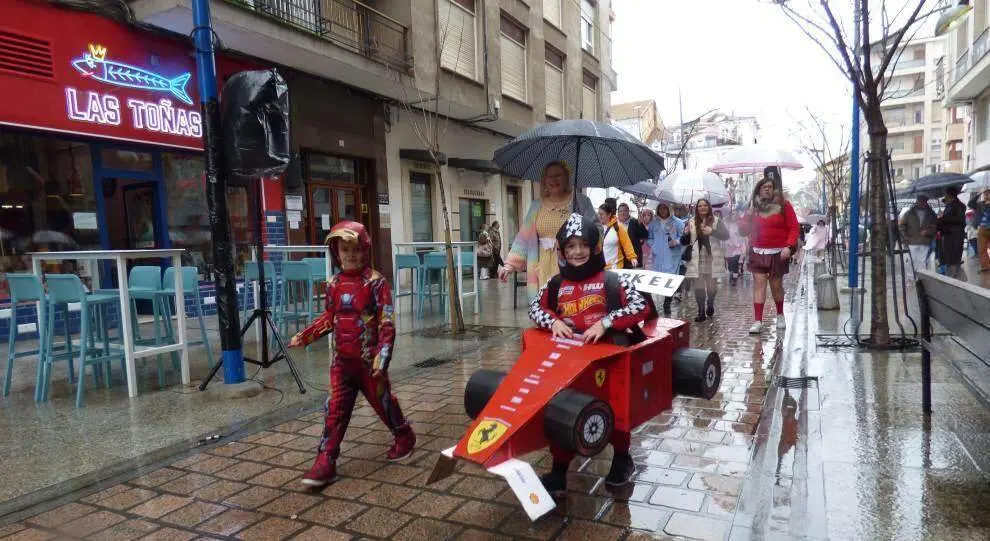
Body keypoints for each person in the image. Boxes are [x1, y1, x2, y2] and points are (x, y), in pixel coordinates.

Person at [528, 213, 650, 495]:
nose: (577, 252)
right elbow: (535, 308)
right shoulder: (555, 283)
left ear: (595, 247)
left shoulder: (612, 280)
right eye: (570, 246)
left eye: (584, 244)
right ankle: (559, 470)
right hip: (569, 363)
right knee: (562, 409)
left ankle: (622, 458)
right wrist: (553, 321)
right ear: (562, 250)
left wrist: (606, 322)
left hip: (609, 361)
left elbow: (640, 306)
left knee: (616, 408)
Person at [288, 221, 415, 487]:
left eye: (356, 249)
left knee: (383, 403)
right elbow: (329, 318)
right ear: (336, 252)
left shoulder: (376, 283)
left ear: (365, 250)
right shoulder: (333, 284)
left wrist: (382, 356)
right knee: (334, 409)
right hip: (342, 364)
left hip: (369, 363)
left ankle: (403, 435)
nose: (351, 255)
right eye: (345, 249)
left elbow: (387, 323)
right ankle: (326, 459)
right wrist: (306, 335)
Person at [500, 161, 598, 298]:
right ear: (544, 180)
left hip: (572, 263)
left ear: (566, 178)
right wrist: (509, 266)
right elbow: (523, 237)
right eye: (549, 176)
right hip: (542, 267)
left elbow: (596, 230)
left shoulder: (581, 202)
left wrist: (580, 237)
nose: (553, 180)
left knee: (570, 303)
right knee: (546, 304)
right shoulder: (536, 205)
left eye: (558, 175)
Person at [739, 178, 800, 334]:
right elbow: (743, 231)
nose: (767, 189)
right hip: (757, 250)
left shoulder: (784, 205)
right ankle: (758, 321)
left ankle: (780, 314)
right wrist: (748, 216)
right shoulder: (753, 207)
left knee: (776, 285)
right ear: (758, 190)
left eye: (770, 187)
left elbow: (794, 227)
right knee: (759, 285)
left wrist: (789, 246)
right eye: (764, 187)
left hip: (778, 252)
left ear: (774, 189)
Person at [681, 198, 729, 322]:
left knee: (711, 286)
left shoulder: (716, 220)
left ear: (709, 207)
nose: (702, 208)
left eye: (705, 205)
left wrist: (711, 231)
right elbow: (684, 242)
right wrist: (686, 233)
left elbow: (726, 235)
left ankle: (710, 302)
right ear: (696, 208)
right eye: (700, 206)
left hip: (712, 257)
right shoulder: (691, 222)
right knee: (699, 285)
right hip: (696, 257)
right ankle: (701, 311)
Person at [652, 203, 685, 315]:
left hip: (672, 256)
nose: (662, 210)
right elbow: (650, 237)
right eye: (660, 208)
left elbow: (683, 237)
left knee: (670, 279)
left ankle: (667, 303)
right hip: (658, 256)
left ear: (669, 209)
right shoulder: (654, 223)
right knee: (660, 279)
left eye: (665, 208)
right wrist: (654, 246)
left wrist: (676, 241)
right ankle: (660, 302)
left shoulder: (678, 222)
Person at [898, 195, 937, 279]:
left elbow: (935, 227)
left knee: (922, 262)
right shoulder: (909, 213)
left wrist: (927, 232)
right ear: (917, 201)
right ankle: (911, 278)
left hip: (925, 241)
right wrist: (906, 237)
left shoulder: (931, 213)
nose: (922, 202)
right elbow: (901, 225)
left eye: (924, 201)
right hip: (912, 241)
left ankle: (921, 279)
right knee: (911, 261)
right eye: (920, 201)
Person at [938, 186, 967, 280]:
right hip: (949, 235)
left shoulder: (959, 205)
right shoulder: (950, 205)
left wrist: (943, 217)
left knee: (953, 258)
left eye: (946, 193)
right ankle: (956, 277)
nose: (945, 195)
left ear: (949, 194)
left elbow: (959, 219)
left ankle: (954, 277)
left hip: (954, 236)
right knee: (950, 258)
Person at [598, 201, 638, 269]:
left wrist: (632, 257)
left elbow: (626, 243)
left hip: (615, 267)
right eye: (598, 214)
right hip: (600, 267)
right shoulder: (596, 227)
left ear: (609, 214)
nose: (599, 216)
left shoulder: (618, 227)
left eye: (601, 214)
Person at [618, 202, 649, 268]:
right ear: (618, 213)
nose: (622, 213)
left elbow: (644, 235)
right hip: (619, 259)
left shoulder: (634, 222)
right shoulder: (615, 224)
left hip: (633, 259)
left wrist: (641, 224)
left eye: (625, 211)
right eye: (620, 211)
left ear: (628, 212)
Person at [968, 189, 990, 272]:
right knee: (982, 248)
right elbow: (970, 204)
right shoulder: (980, 204)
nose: (986, 195)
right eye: (985, 194)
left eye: (988, 193)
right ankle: (985, 267)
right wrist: (978, 194)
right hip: (982, 228)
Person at [723, 213, 747, 286]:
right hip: (729, 248)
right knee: (730, 264)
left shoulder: (740, 226)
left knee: (735, 263)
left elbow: (743, 236)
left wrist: (740, 244)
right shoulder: (726, 225)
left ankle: (734, 279)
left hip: (738, 248)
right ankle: (731, 274)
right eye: (732, 216)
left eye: (735, 217)